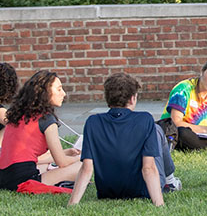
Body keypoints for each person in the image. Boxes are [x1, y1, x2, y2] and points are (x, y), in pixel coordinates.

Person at [69, 73, 167, 206]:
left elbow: (86, 168)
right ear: (132, 99)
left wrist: (72, 203)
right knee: (158, 130)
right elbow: (148, 168)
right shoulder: (145, 119)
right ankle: (171, 179)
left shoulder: (93, 122)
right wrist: (159, 204)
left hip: (107, 192)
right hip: (141, 191)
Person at [0, 70, 83, 191]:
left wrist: (66, 152)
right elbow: (62, 162)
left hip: (3, 180)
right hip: (24, 181)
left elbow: (25, 158)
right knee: (81, 166)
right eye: (59, 89)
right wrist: (83, 157)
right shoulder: (46, 119)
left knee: (47, 165)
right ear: (45, 92)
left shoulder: (19, 114)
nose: (63, 94)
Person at [160, 57, 207, 151]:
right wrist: (205, 129)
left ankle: (206, 145)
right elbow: (176, 122)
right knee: (182, 133)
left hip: (206, 135)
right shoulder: (183, 89)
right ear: (202, 71)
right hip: (180, 132)